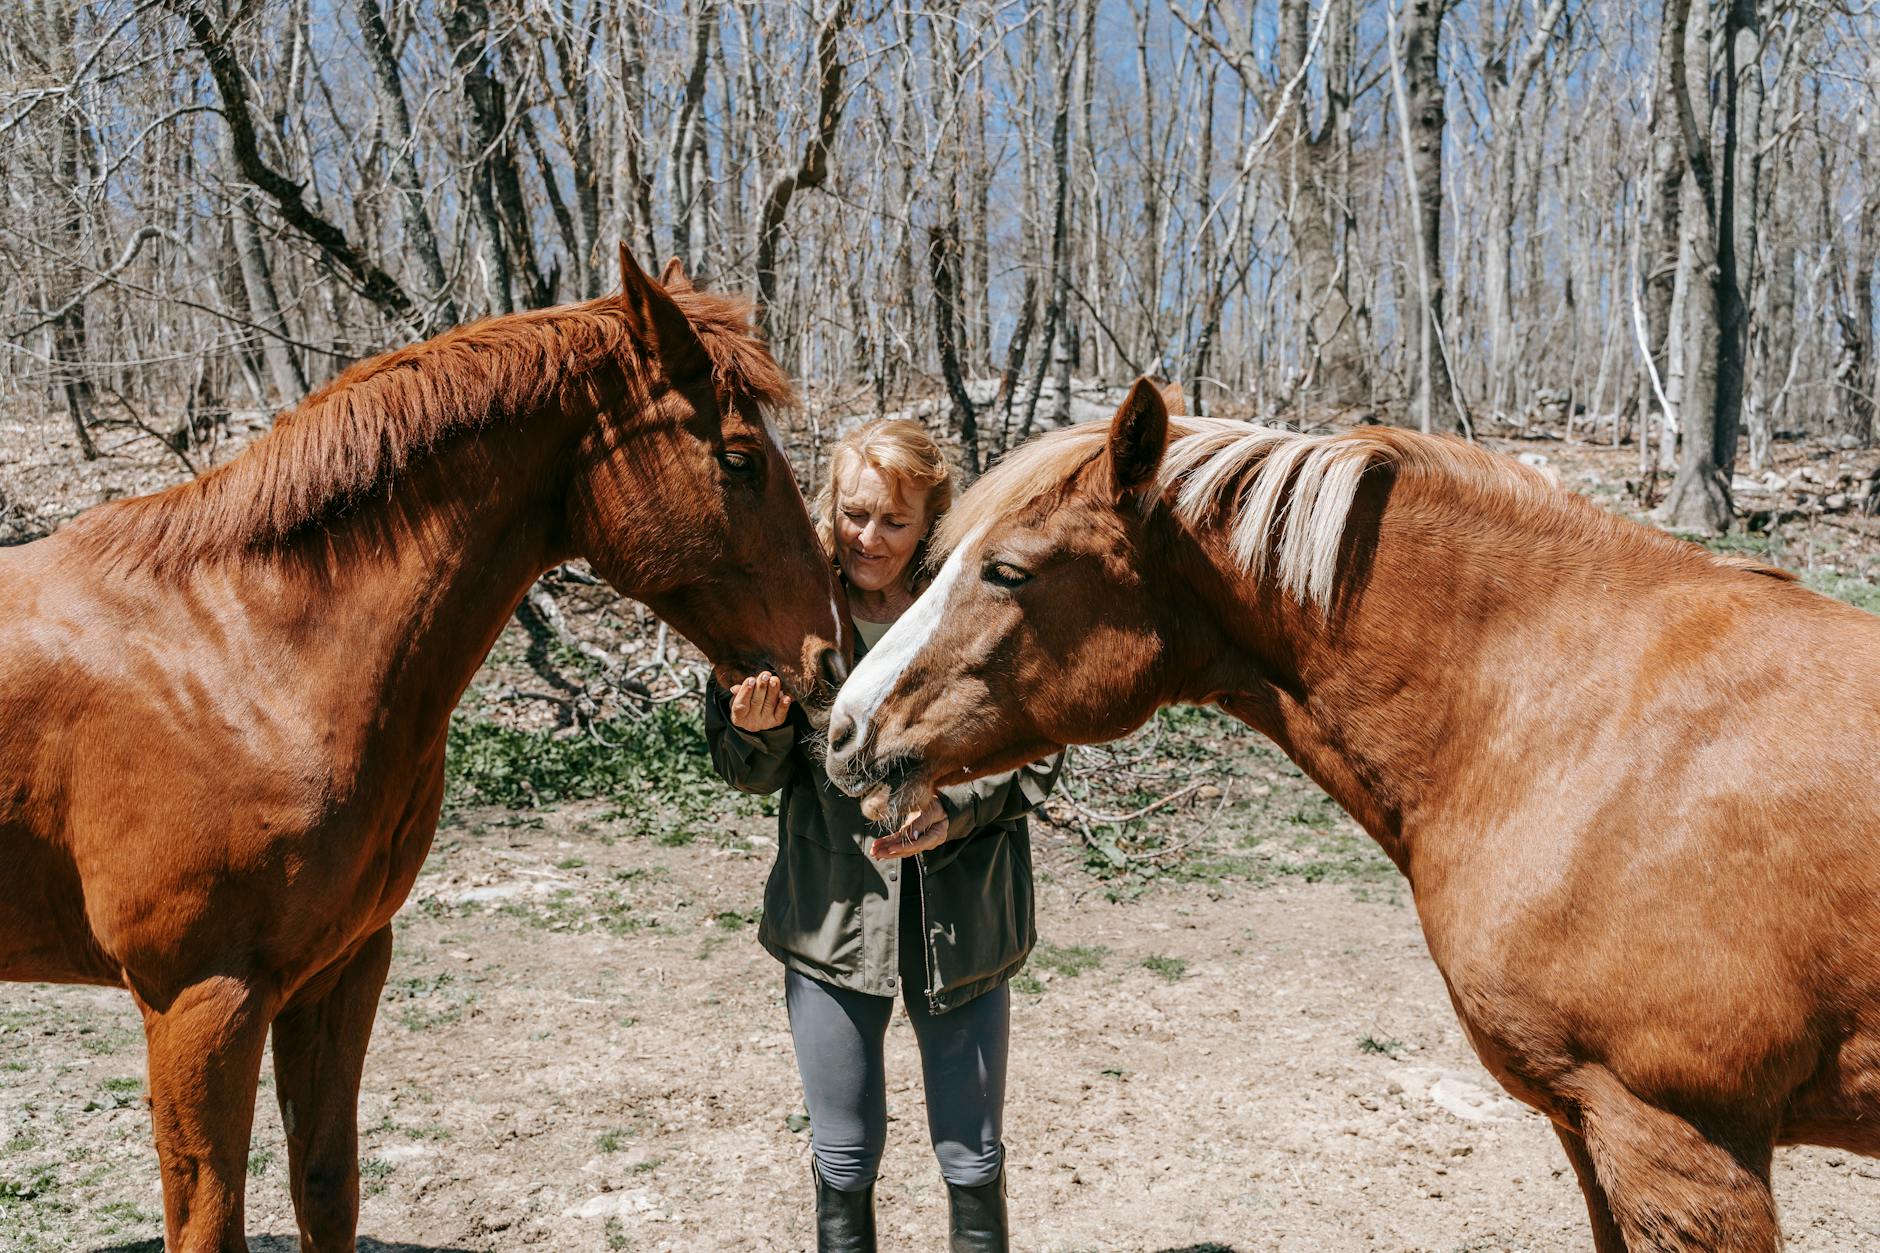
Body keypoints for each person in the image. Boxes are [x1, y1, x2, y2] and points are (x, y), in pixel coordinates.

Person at [706, 419, 1061, 1253]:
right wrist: (754, 729)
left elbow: (1045, 755)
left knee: (971, 1153)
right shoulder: (788, 605)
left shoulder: (986, 602)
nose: (868, 537)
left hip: (965, 915)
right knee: (843, 1152)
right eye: (854, 513)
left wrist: (960, 804)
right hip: (831, 918)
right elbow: (746, 771)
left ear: (933, 518)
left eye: (895, 522)